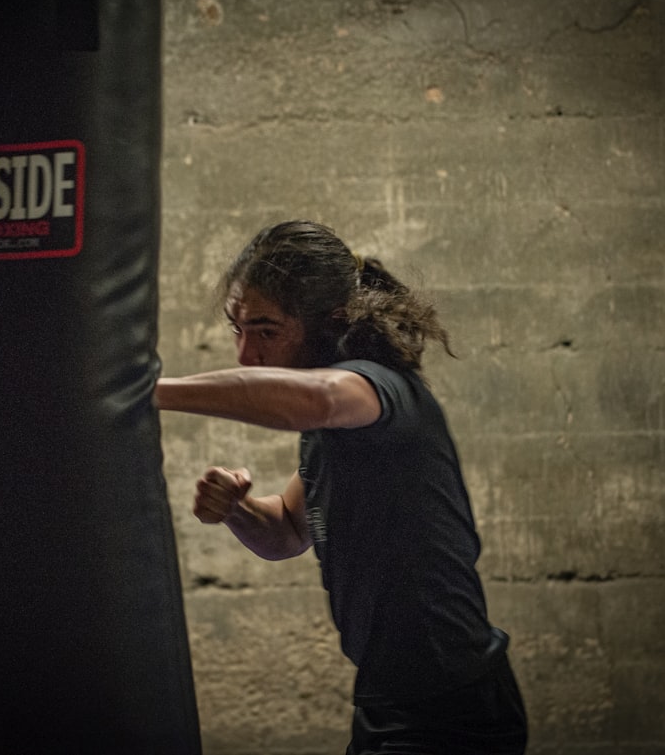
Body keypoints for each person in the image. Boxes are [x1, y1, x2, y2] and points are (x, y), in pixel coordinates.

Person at [155, 220, 527, 754]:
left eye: (265, 330)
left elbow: (320, 398)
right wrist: (237, 510)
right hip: (386, 699)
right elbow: (285, 532)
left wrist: (145, 392)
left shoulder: (376, 390)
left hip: (453, 706)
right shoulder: (331, 436)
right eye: (237, 329)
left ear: (326, 325)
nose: (245, 354)